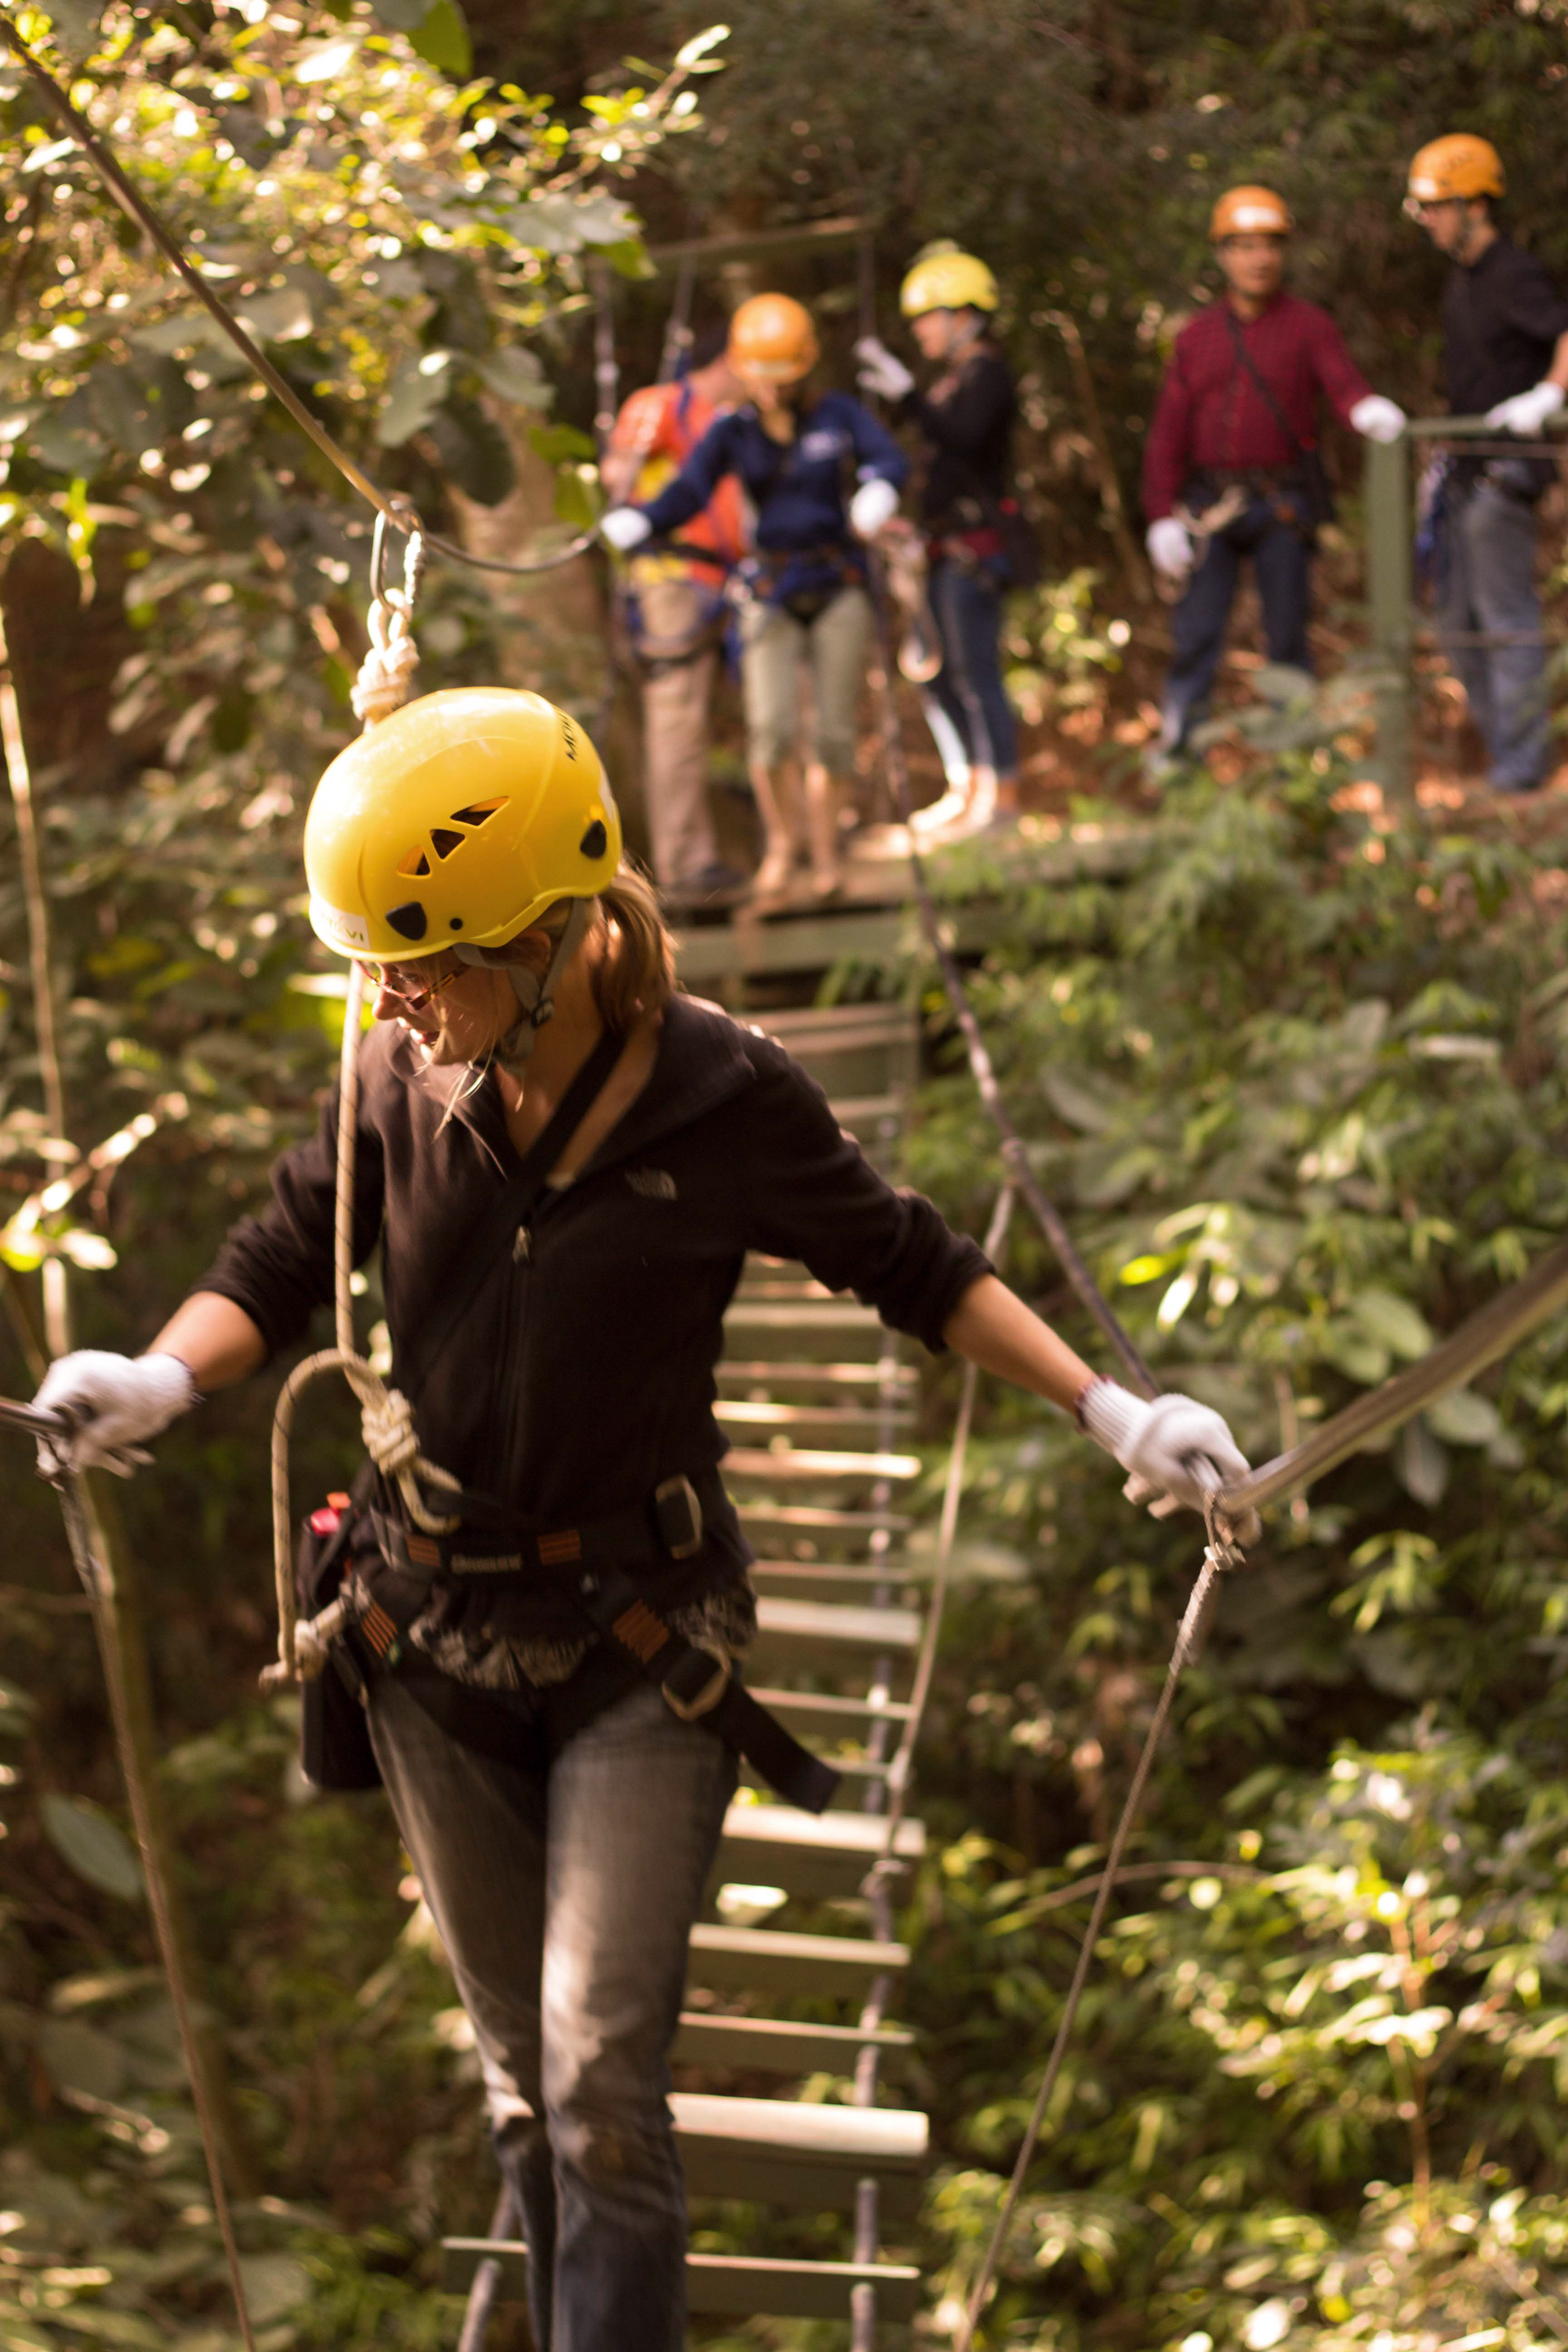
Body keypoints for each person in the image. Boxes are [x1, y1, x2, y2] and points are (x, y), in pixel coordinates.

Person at [30, 686, 1252, 2352]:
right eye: (382, 964)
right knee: (525, 2090)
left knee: (600, 2074)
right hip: (429, 1637)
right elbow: (275, 1254)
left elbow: (914, 1264)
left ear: (556, 931)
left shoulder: (723, 1095)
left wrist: (1118, 1409)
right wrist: (161, 1384)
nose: (396, 998)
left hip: (638, 1636)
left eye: (434, 958)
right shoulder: (397, 1071)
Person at [602, 293, 909, 905]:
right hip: (770, 589)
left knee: (834, 733)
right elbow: (689, 490)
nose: (771, 392)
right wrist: (641, 522)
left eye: (783, 379)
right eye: (761, 380)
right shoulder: (733, 431)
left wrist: (879, 492)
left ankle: (825, 853)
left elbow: (887, 459)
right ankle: (782, 849)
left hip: (836, 585)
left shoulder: (837, 415)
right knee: (769, 731)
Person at [1142, 186, 1406, 768]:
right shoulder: (1196, 338)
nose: (1259, 259)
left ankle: (1297, 765)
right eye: (1246, 247)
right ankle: (1180, 760)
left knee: (1287, 638)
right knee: (1196, 637)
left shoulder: (1308, 326)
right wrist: (1161, 514)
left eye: (1270, 246)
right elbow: (1168, 432)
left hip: (1280, 502)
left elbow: (1342, 383)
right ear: (1224, 255)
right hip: (1209, 506)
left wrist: (1365, 409)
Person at [1407, 134, 1568, 794]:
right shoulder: (1463, 281)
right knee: (1455, 623)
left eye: (1438, 206)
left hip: (1508, 472)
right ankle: (1508, 752)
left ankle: (1524, 764)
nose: (1429, 220)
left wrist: (1550, 395)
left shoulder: (1512, 272)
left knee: (1505, 619)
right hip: (1467, 472)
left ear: (1475, 204)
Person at [857, 243, 1024, 842]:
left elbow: (964, 439)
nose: (921, 330)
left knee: (976, 672)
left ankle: (1001, 794)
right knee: (939, 675)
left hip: (976, 548)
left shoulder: (988, 376)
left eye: (929, 316)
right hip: (944, 545)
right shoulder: (954, 381)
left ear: (964, 315)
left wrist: (907, 397)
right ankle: (967, 786)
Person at [600, 324, 749, 911]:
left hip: (723, 580)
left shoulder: (726, 417)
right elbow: (620, 475)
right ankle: (686, 863)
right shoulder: (662, 406)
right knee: (677, 721)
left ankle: (709, 850)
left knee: (717, 723)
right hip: (672, 580)